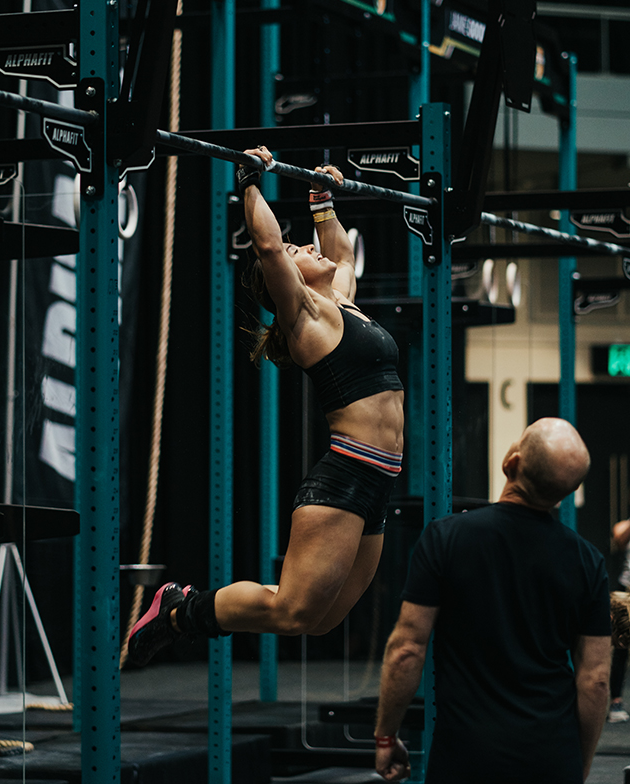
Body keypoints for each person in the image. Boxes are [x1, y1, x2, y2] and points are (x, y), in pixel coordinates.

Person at [128, 146, 404, 665]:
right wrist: (250, 180)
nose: (309, 248)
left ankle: (189, 613)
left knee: (320, 623)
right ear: (289, 282)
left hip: (379, 482)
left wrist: (323, 202)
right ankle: (184, 609)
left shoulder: (340, 302)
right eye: (301, 249)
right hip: (347, 476)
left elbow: (342, 254)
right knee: (291, 612)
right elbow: (269, 246)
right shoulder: (305, 319)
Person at [374, 418, 611, 784]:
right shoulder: (589, 562)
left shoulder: (445, 539)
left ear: (510, 463)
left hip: (466, 758)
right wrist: (574, 766)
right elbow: (595, 680)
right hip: (550, 759)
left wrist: (387, 737)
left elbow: (406, 649)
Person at [609, 518, 630, 721]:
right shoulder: (624, 525)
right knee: (621, 648)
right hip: (626, 592)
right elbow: (619, 539)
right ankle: (615, 702)